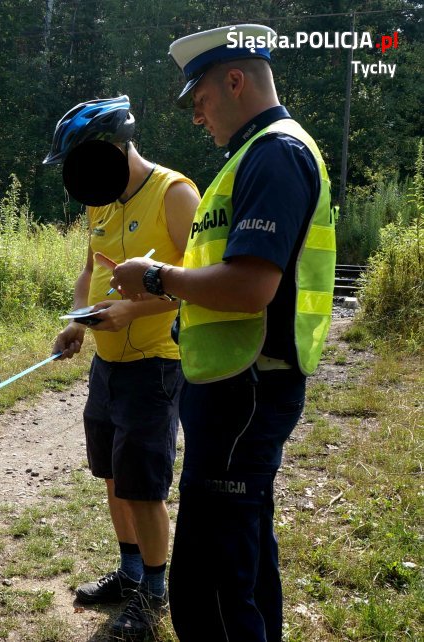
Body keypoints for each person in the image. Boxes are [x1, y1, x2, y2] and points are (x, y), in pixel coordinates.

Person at [111, 24, 335, 641]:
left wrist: (155, 276)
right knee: (243, 555)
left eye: (201, 98)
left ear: (235, 81)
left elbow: (250, 286)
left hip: (247, 388)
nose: (196, 116)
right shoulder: (253, 155)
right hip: (234, 386)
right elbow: (224, 274)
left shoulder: (274, 154)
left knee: (210, 579)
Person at [46, 96, 200, 641]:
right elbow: (88, 268)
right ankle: (130, 573)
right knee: (114, 476)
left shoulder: (175, 194)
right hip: (107, 366)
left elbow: (200, 285)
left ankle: (154, 596)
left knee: (144, 487)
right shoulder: (101, 200)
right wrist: (78, 321)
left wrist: (131, 311)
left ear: (114, 146)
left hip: (155, 366)